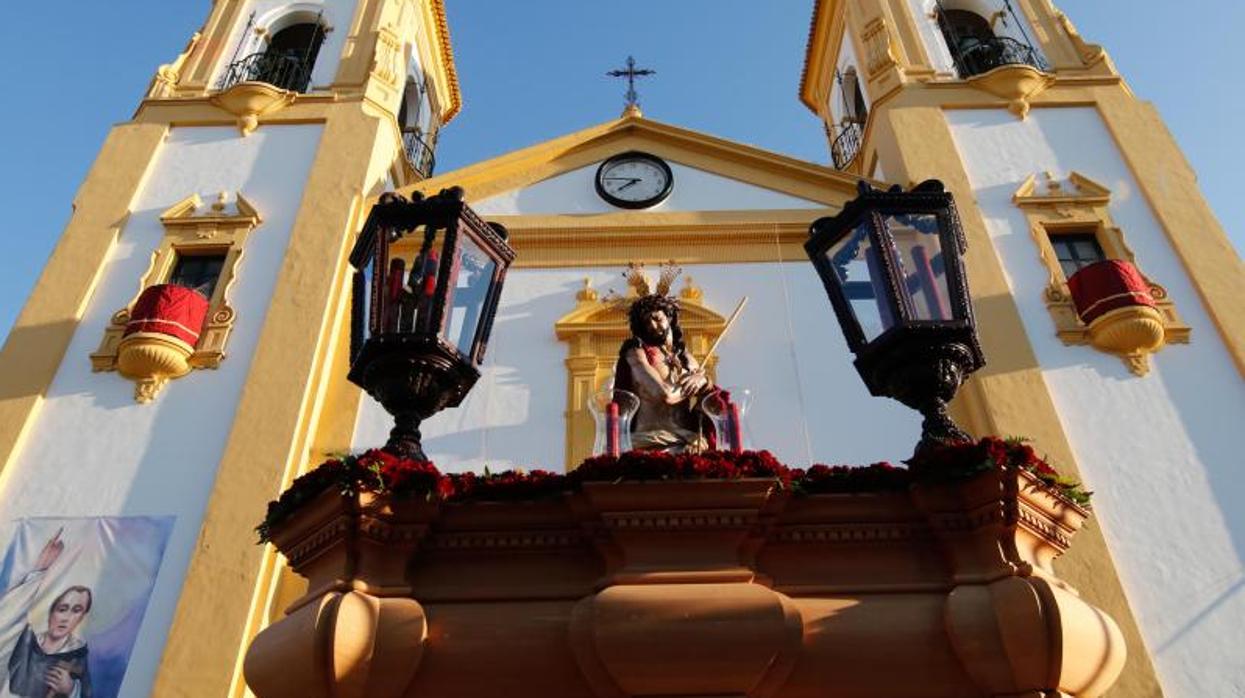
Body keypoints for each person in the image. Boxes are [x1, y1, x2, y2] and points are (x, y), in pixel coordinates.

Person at [613, 292, 716, 453]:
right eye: (647, 322)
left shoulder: (686, 357)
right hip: (649, 442)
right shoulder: (636, 353)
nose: (653, 326)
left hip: (686, 441)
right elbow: (663, 394)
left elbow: (706, 404)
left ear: (669, 317)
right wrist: (700, 382)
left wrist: (704, 384)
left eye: (657, 319)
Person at [0, 531, 92, 698]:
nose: (66, 617)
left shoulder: (77, 657)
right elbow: (6, 620)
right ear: (51, 613)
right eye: (62, 609)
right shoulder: (26, 640)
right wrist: (39, 570)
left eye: (76, 610)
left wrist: (71, 690)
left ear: (82, 617)